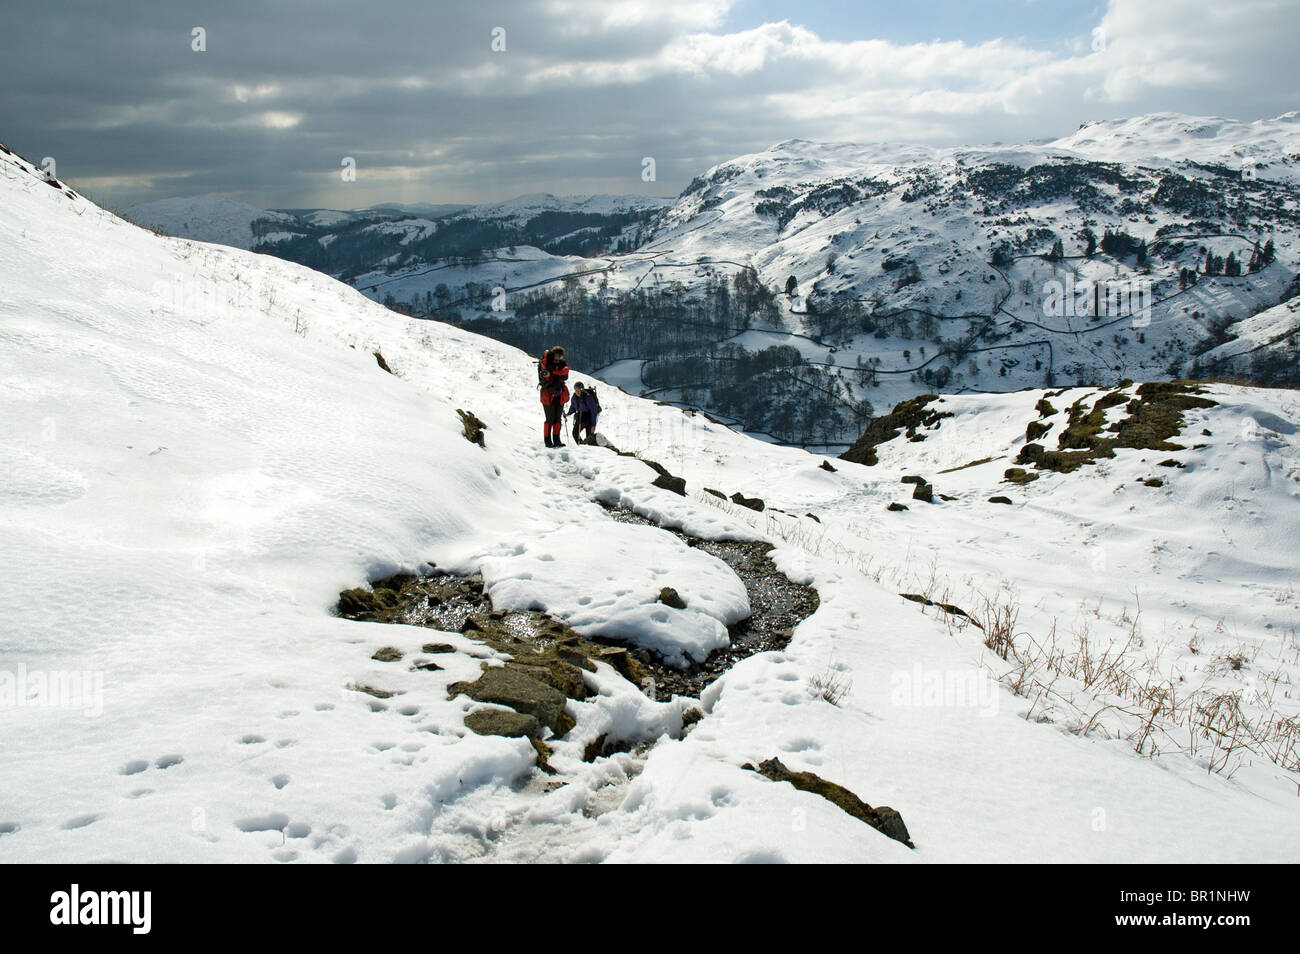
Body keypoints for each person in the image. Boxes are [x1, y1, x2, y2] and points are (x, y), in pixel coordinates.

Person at [538, 345, 569, 447]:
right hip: (549, 394)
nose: (558, 359)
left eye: (560, 357)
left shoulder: (561, 365)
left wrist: (555, 373)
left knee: (557, 418)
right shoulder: (545, 364)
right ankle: (548, 441)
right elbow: (543, 380)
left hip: (557, 395)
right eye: (557, 356)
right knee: (550, 418)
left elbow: (565, 377)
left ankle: (556, 440)